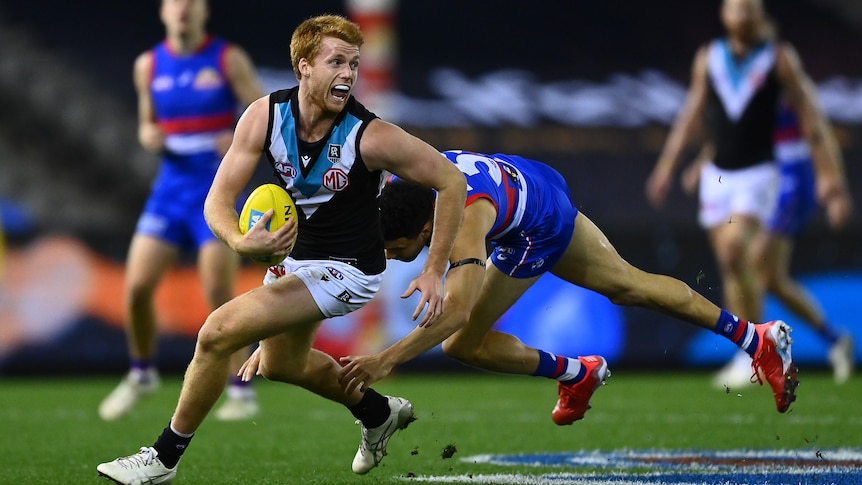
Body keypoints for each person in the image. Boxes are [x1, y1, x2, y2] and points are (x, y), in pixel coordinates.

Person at [97, 14, 466, 483]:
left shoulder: (370, 136)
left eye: (354, 64)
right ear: (304, 66)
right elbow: (217, 201)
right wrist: (238, 240)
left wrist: (435, 268)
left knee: (216, 332)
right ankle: (377, 414)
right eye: (337, 62)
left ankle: (162, 459)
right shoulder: (264, 116)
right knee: (280, 364)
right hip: (299, 260)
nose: (349, 74)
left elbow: (450, 181)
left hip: (349, 269)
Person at [242, 150, 794, 430]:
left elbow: (454, 314)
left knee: (462, 342)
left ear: (427, 231)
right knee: (630, 286)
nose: (387, 258)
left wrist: (387, 360)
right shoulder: (393, 192)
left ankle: (575, 374)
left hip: (534, 227)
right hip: (534, 178)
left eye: (397, 249)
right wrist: (267, 328)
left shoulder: (462, 226)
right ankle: (755, 336)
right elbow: (329, 241)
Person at [644, 0, 846, 385]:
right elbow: (695, 113)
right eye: (737, 7)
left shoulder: (779, 58)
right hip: (718, 175)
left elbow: (810, 114)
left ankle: (761, 349)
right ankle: (755, 350)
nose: (744, 14)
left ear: (760, 15)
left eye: (750, 7)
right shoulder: (710, 57)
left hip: (759, 174)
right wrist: (668, 166)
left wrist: (828, 177)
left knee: (739, 250)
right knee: (731, 265)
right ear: (724, 14)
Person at [98, 0, 265, 422]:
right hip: (169, 192)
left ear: (204, 11)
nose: (183, 11)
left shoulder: (228, 58)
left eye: (192, 3)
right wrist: (149, 135)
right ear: (163, 11)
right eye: (176, 3)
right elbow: (145, 124)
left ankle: (240, 390)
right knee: (136, 288)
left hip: (215, 193)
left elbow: (262, 113)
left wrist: (236, 137)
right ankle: (141, 373)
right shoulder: (148, 65)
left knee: (217, 292)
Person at [681, 103, 854, 388]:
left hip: (787, 177)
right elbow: (736, 130)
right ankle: (833, 340)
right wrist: (704, 162)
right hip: (766, 174)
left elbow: (816, 127)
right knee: (770, 279)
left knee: (745, 263)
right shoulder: (752, 82)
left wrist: (832, 181)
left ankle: (753, 356)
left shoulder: (780, 70)